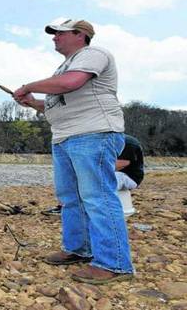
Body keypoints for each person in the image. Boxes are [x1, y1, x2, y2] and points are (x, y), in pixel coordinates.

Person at [13, 19, 134, 284]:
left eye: (59, 33)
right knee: (70, 198)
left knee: (97, 197)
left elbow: (71, 83)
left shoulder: (94, 55)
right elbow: (58, 103)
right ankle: (79, 250)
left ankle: (114, 264)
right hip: (65, 138)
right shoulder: (63, 67)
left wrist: (28, 86)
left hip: (94, 134)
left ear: (80, 35)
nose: (54, 37)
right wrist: (34, 102)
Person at [41, 134, 144, 216]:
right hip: (116, 173)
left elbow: (122, 163)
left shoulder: (128, 143)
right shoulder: (104, 141)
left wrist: (88, 170)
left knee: (96, 180)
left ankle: (102, 210)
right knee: (74, 179)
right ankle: (66, 207)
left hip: (129, 176)